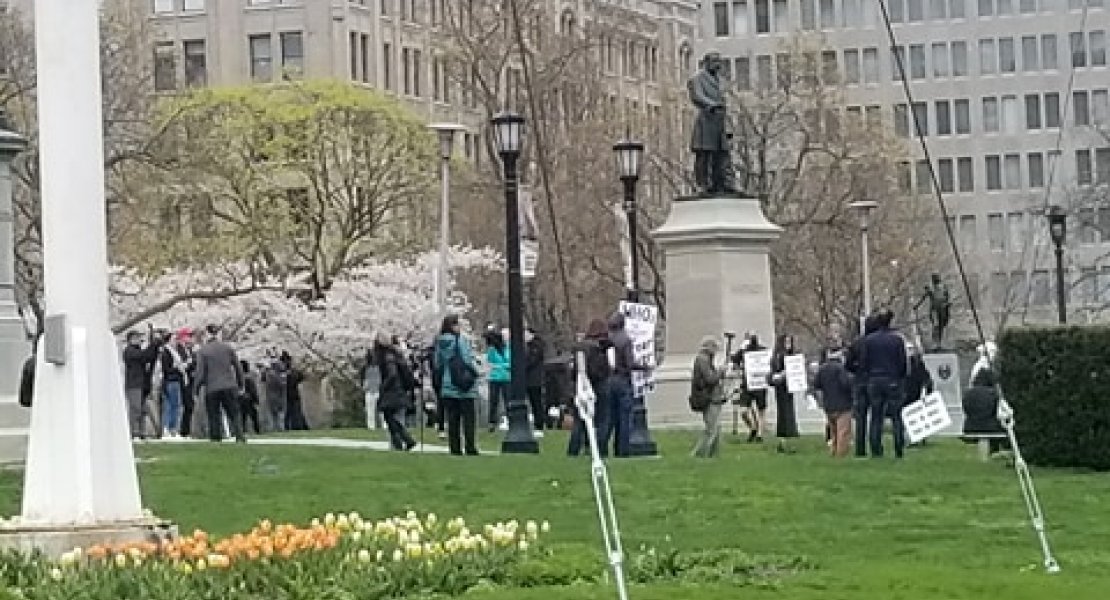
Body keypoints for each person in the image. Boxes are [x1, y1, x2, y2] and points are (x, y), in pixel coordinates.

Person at [860, 310, 909, 459]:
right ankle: (898, 447)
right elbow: (902, 363)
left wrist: (869, 376)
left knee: (876, 416)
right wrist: (900, 378)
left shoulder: (869, 341)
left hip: (875, 380)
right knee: (896, 416)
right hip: (892, 379)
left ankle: (876, 448)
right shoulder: (897, 340)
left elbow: (864, 362)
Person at [686, 52, 737, 195]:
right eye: (715, 61)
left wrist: (729, 126)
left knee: (723, 155)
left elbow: (726, 102)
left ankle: (723, 183)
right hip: (706, 121)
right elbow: (697, 96)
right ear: (706, 62)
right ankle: (703, 184)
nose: (718, 65)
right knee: (704, 155)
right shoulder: (697, 79)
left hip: (720, 122)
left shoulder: (720, 81)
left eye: (719, 62)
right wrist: (712, 104)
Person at [435, 315, 480, 456]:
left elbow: (437, 363)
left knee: (453, 419)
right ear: (454, 326)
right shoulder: (460, 340)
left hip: (448, 384)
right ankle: (470, 446)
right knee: (468, 419)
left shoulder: (440, 342)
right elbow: (467, 359)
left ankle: (455, 448)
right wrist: (476, 371)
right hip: (464, 385)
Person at [194, 324, 245, 443]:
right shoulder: (228, 348)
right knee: (234, 412)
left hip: (212, 387)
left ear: (207, 334)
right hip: (229, 384)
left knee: (213, 415)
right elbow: (238, 368)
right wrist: (241, 385)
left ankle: (216, 438)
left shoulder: (203, 351)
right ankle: (239, 435)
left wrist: (195, 389)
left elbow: (200, 373)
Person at [598, 311, 639, 458]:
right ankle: (622, 450)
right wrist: (644, 366)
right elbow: (629, 363)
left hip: (609, 380)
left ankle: (601, 447)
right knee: (625, 418)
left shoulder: (606, 340)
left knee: (609, 417)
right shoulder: (625, 340)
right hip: (622, 380)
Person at [569, 319, 611, 457]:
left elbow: (575, 371)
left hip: (581, 386)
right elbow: (606, 369)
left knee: (580, 420)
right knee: (602, 420)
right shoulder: (601, 349)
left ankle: (574, 449)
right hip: (599, 386)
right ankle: (600, 449)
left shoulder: (580, 349)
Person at [375, 333, 418, 451]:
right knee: (391, 418)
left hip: (392, 390)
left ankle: (404, 440)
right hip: (399, 389)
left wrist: (383, 387)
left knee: (389, 417)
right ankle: (400, 442)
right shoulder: (396, 354)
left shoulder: (387, 356)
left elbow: (392, 374)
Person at [846, 315, 880, 457]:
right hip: (874, 380)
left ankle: (860, 448)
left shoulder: (857, 343)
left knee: (861, 417)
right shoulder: (878, 343)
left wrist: (857, 369)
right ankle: (875, 447)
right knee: (876, 416)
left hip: (860, 382)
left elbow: (848, 364)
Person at [813, 349, 854, 458]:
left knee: (834, 432)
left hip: (828, 404)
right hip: (843, 405)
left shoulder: (822, 369)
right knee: (843, 432)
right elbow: (845, 384)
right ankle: (840, 455)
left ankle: (833, 452)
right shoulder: (841, 369)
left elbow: (816, 384)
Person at [122, 329, 162, 440]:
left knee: (142, 410)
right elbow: (144, 356)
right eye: (137, 338)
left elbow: (148, 357)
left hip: (141, 385)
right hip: (134, 384)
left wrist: (154, 347)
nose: (140, 340)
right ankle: (133, 431)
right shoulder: (129, 351)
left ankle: (141, 431)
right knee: (136, 409)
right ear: (131, 339)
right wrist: (153, 345)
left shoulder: (137, 351)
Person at [690, 336, 725, 458]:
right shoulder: (702, 360)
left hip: (712, 397)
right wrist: (720, 372)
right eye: (714, 347)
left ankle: (713, 454)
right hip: (708, 397)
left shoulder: (705, 359)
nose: (716, 350)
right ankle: (699, 453)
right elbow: (710, 379)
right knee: (711, 428)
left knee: (716, 427)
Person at [768, 334, 801, 453]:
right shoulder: (778, 356)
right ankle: (785, 438)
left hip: (789, 387)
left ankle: (787, 439)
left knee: (788, 412)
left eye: (790, 342)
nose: (788, 345)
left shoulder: (790, 355)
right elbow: (774, 372)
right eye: (786, 342)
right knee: (784, 412)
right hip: (781, 387)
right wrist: (782, 374)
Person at [734, 333, 768, 443]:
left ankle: (760, 435)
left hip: (760, 384)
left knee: (761, 411)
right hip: (747, 385)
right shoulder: (744, 351)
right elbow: (734, 360)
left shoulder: (763, 350)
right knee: (743, 411)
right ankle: (753, 428)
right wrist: (741, 349)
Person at [159, 328, 193, 439]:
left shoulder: (174, 352)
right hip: (171, 380)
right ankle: (169, 428)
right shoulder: (166, 352)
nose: (176, 341)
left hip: (176, 380)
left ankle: (171, 428)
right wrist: (179, 367)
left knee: (174, 405)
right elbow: (166, 369)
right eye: (174, 339)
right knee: (172, 405)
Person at [485, 326, 511, 432]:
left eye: (507, 335)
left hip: (506, 377)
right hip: (494, 378)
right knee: (493, 400)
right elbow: (489, 363)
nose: (505, 337)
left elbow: (512, 364)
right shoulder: (492, 349)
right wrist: (502, 365)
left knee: (508, 400)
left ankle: (510, 420)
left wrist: (499, 366)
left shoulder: (510, 348)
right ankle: (492, 422)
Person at [525, 327, 546, 438]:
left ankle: (539, 425)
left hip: (534, 379)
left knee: (536, 403)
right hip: (529, 379)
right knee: (533, 402)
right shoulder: (529, 346)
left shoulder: (536, 346)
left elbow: (532, 360)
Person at [282, 351, 310, 431]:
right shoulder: (293, 371)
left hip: (289, 394)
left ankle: (293, 426)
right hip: (294, 394)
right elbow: (301, 377)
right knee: (296, 411)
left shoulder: (286, 373)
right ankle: (301, 426)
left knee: (290, 411)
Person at [262, 351, 287, 432]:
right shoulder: (271, 373)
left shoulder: (269, 373)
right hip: (276, 395)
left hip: (274, 395)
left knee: (276, 413)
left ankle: (276, 428)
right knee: (278, 413)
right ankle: (278, 428)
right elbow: (282, 383)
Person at [239, 360, 262, 435]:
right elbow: (253, 390)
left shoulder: (238, 378)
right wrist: (256, 401)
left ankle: (243, 431)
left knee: (243, 417)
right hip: (249, 400)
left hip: (241, 399)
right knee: (254, 417)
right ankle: (257, 431)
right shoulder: (249, 378)